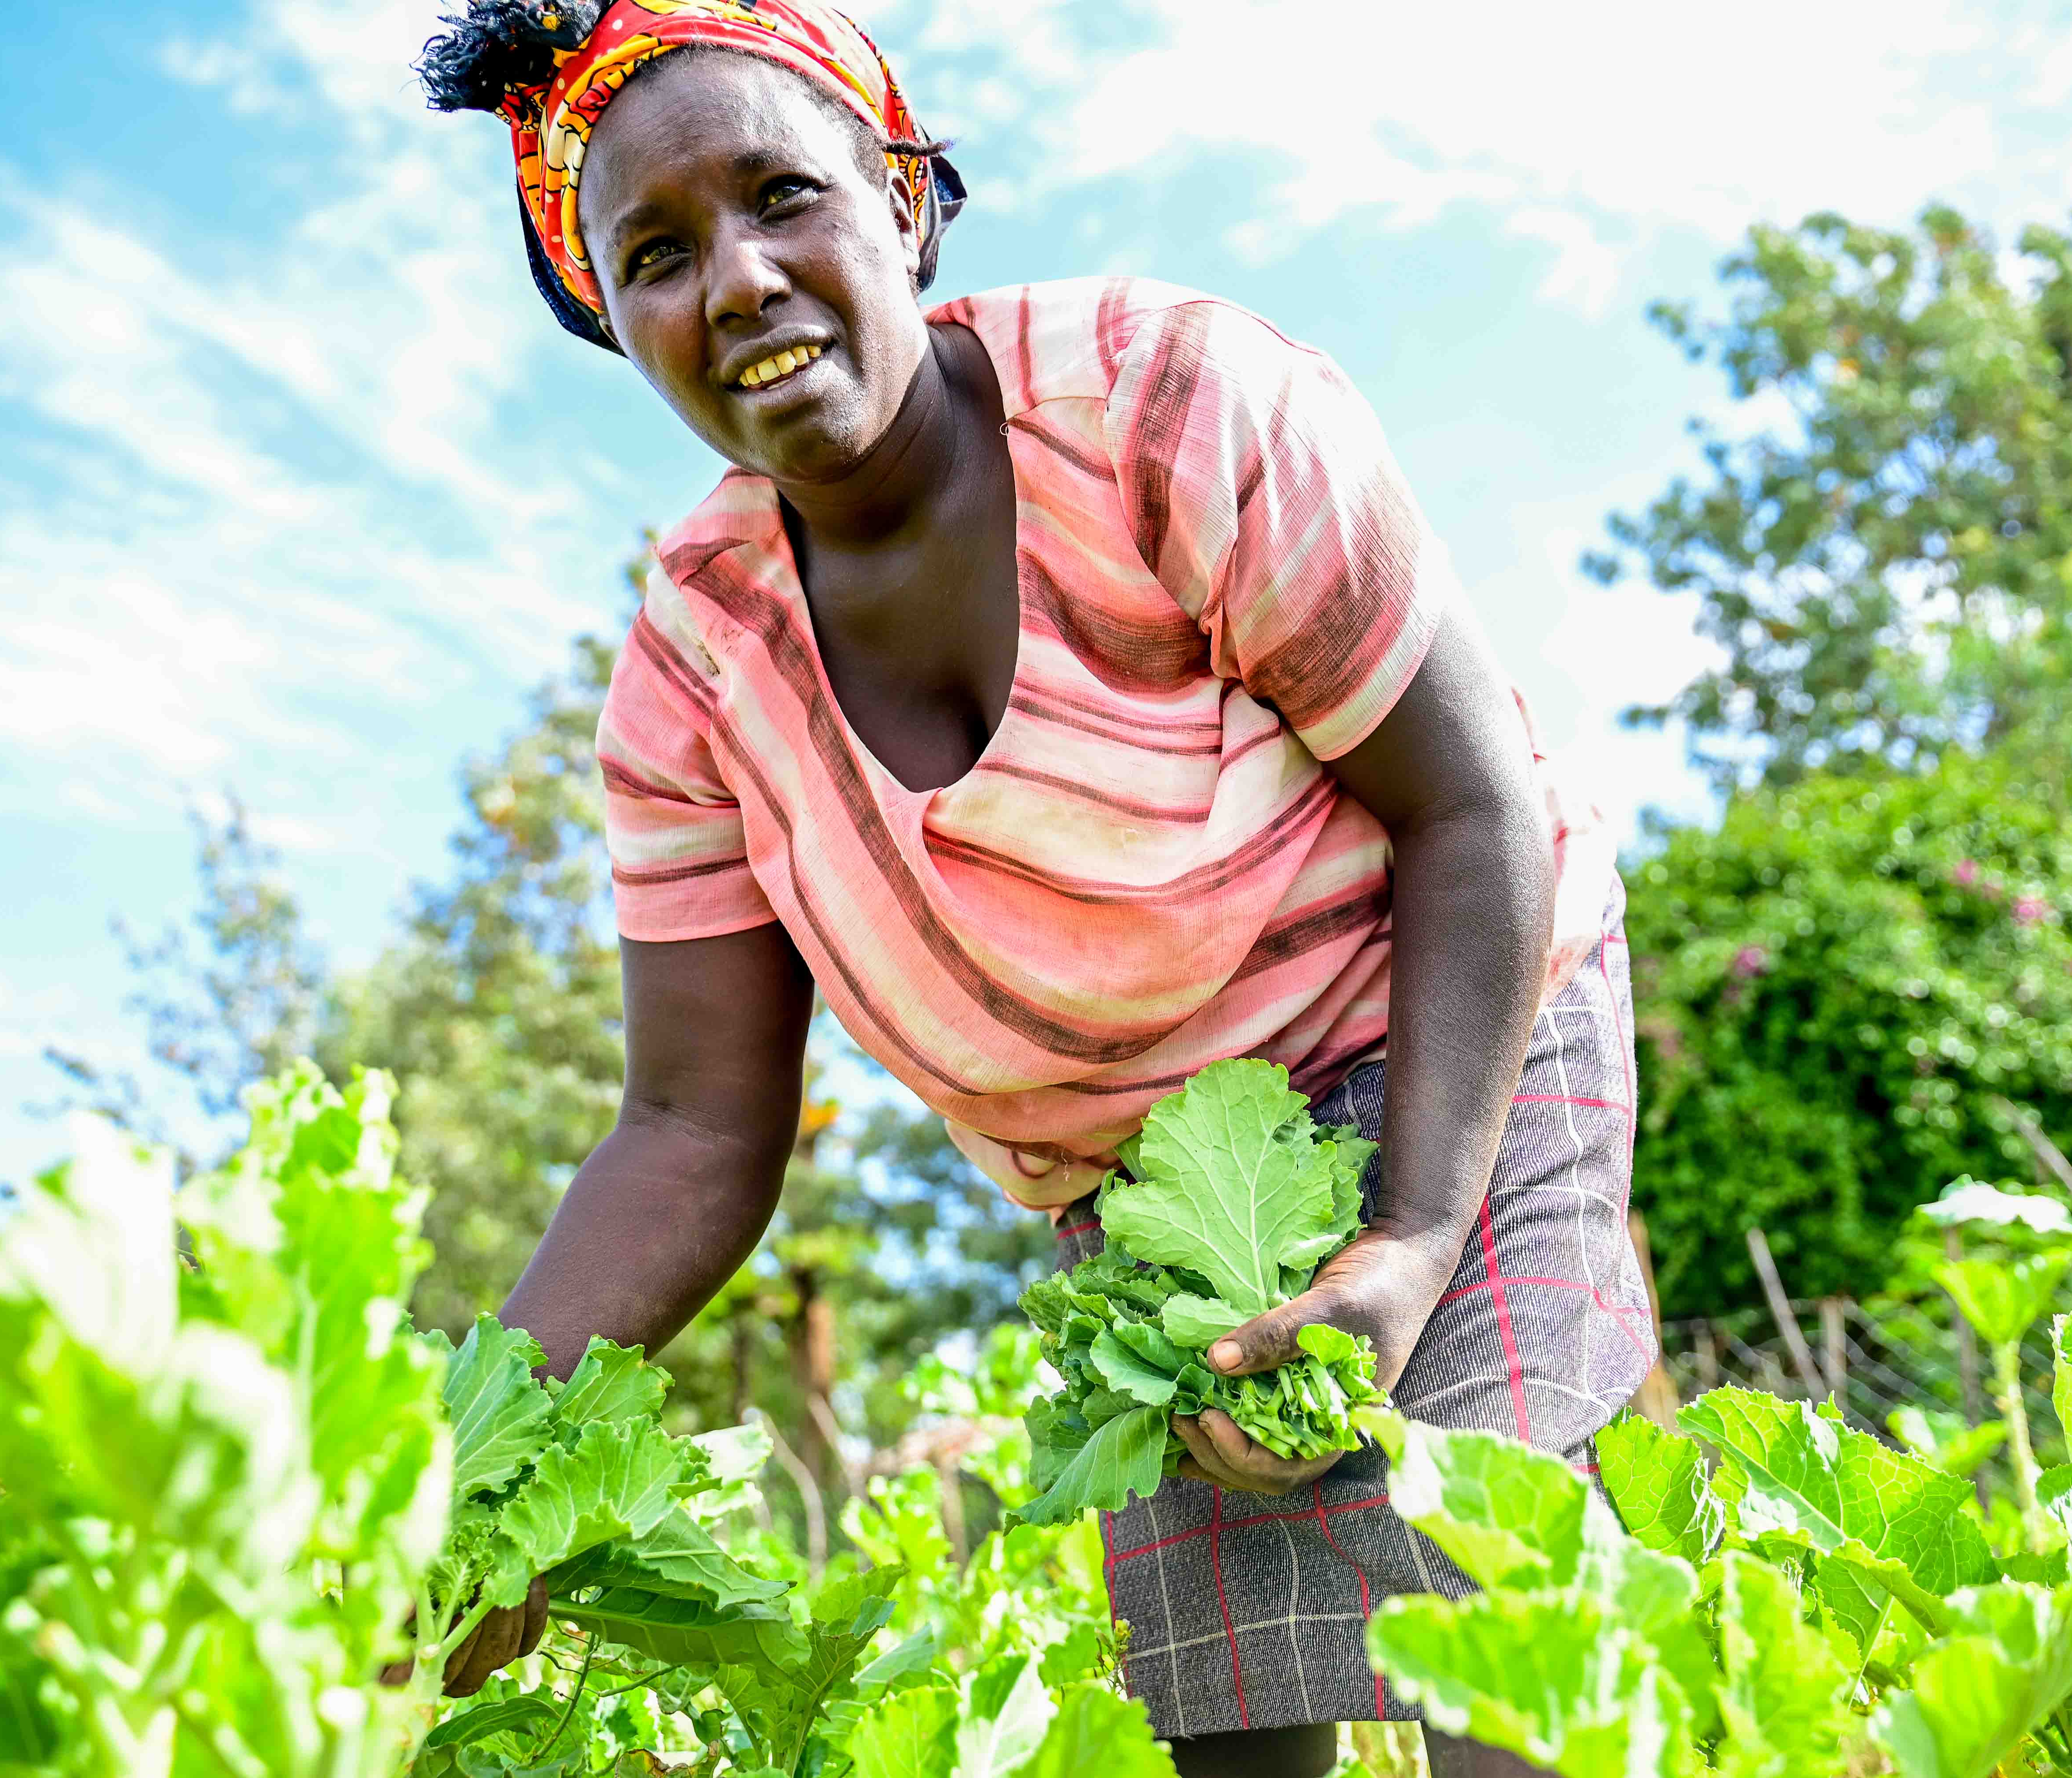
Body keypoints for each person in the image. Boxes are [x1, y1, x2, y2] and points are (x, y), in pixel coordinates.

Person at [414, 3, 1659, 1770]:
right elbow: (691, 1128)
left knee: (1506, 1673)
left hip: (1454, 1025)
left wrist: (1404, 1239)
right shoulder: (695, 674)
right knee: (1238, 1722)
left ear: (905, 200)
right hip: (1156, 1190)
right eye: (660, 256)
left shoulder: (1173, 409)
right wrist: (470, 1469)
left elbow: (1470, 813)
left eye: (785, 198)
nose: (742, 281)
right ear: (616, 323)